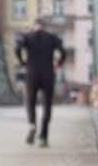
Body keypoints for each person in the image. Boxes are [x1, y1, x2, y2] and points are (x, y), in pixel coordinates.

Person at [15, 17, 66, 147]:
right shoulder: (52, 37)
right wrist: (58, 64)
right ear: (45, 26)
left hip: (32, 74)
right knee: (47, 105)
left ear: (35, 25)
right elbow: (63, 52)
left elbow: (17, 49)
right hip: (48, 74)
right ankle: (43, 137)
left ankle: (32, 123)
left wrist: (22, 62)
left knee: (30, 101)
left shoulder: (27, 36)